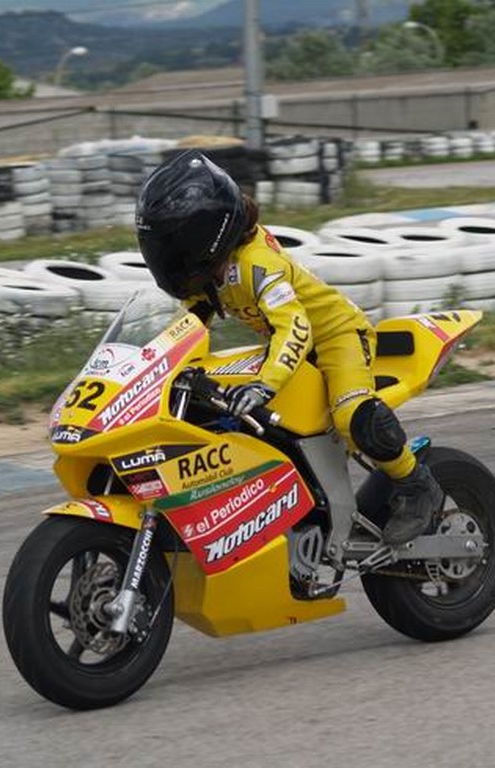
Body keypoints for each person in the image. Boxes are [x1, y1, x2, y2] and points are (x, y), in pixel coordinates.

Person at [135, 150, 442, 544]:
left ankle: (417, 485)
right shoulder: (209, 278)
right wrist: (148, 373)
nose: (165, 258)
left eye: (170, 246)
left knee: (352, 416)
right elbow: (184, 331)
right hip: (289, 347)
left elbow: (295, 326)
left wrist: (265, 383)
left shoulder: (257, 265)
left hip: (336, 337)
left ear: (203, 237)